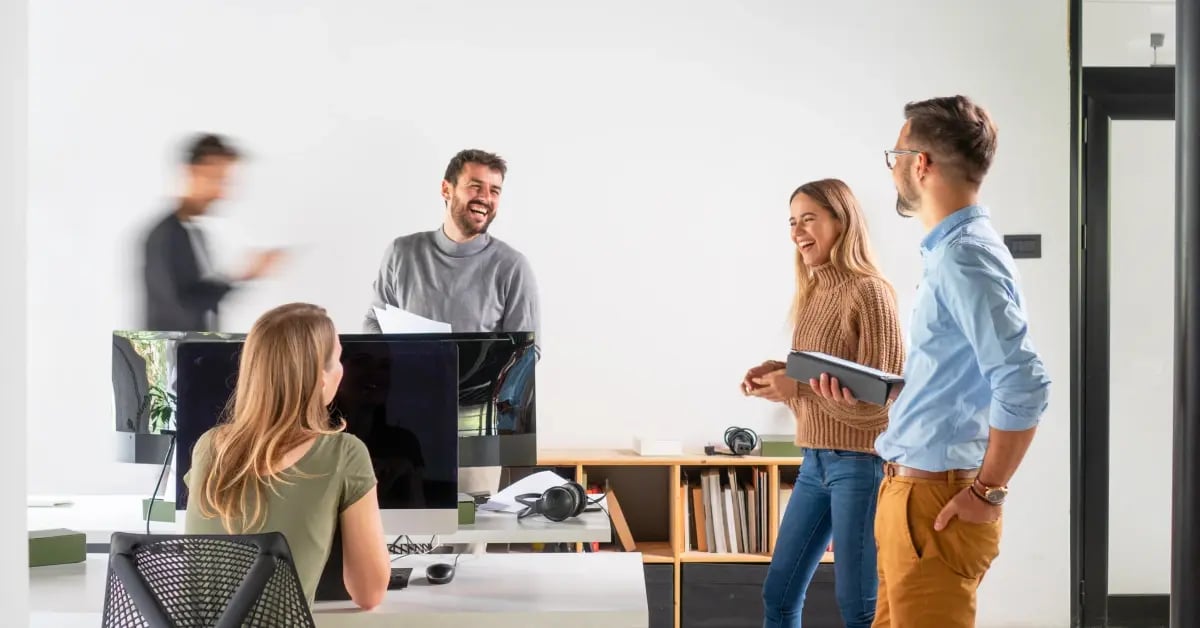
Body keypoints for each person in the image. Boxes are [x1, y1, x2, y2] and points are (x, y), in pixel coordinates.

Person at [814, 96, 1050, 626]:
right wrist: (889, 391)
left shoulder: (965, 256)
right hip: (908, 496)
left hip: (935, 503)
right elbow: (960, 381)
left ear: (921, 163)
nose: (893, 166)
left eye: (895, 154)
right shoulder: (951, 253)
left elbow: (1025, 384)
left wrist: (988, 493)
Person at [742, 178, 905, 628]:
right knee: (778, 595)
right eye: (792, 222)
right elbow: (825, 373)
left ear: (841, 220)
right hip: (814, 461)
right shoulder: (814, 291)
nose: (797, 231)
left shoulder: (870, 292)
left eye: (808, 218)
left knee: (859, 608)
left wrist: (797, 386)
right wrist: (779, 371)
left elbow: (881, 402)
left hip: (861, 463)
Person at [183, 303, 390, 609]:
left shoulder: (208, 447)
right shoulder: (345, 453)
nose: (342, 369)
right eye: (337, 359)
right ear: (320, 377)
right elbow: (369, 594)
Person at [363, 148, 539, 337]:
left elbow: (526, 350)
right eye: (475, 186)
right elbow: (375, 323)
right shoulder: (400, 253)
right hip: (409, 368)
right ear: (446, 190)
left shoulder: (513, 267)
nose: (486, 198)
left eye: (494, 191)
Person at [142, 133, 282, 332]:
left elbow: (196, 293)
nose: (222, 192)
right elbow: (181, 304)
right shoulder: (165, 236)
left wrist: (243, 276)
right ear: (191, 172)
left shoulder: (192, 233)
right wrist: (241, 276)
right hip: (172, 355)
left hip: (187, 352)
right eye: (217, 179)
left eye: (226, 181)